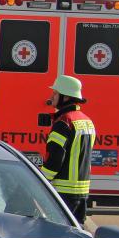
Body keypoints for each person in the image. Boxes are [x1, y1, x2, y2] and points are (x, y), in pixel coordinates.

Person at [40, 75, 95, 223]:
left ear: (66, 97)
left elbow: (55, 158)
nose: (51, 96)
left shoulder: (64, 122)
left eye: (55, 93)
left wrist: (40, 180)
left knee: (58, 237)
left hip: (63, 193)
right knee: (76, 236)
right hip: (82, 192)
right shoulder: (86, 121)